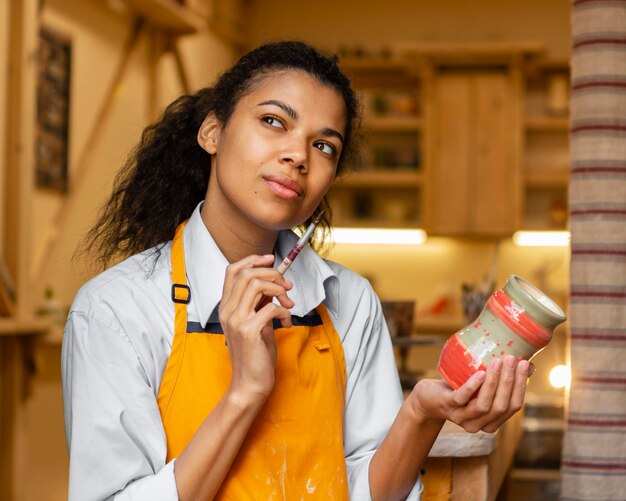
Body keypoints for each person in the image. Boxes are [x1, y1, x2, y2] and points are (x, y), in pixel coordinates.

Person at [62, 40, 531, 500]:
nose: (298, 156)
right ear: (212, 132)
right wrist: (245, 391)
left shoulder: (350, 300)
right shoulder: (116, 311)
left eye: (324, 146)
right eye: (273, 121)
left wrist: (420, 414)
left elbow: (369, 493)